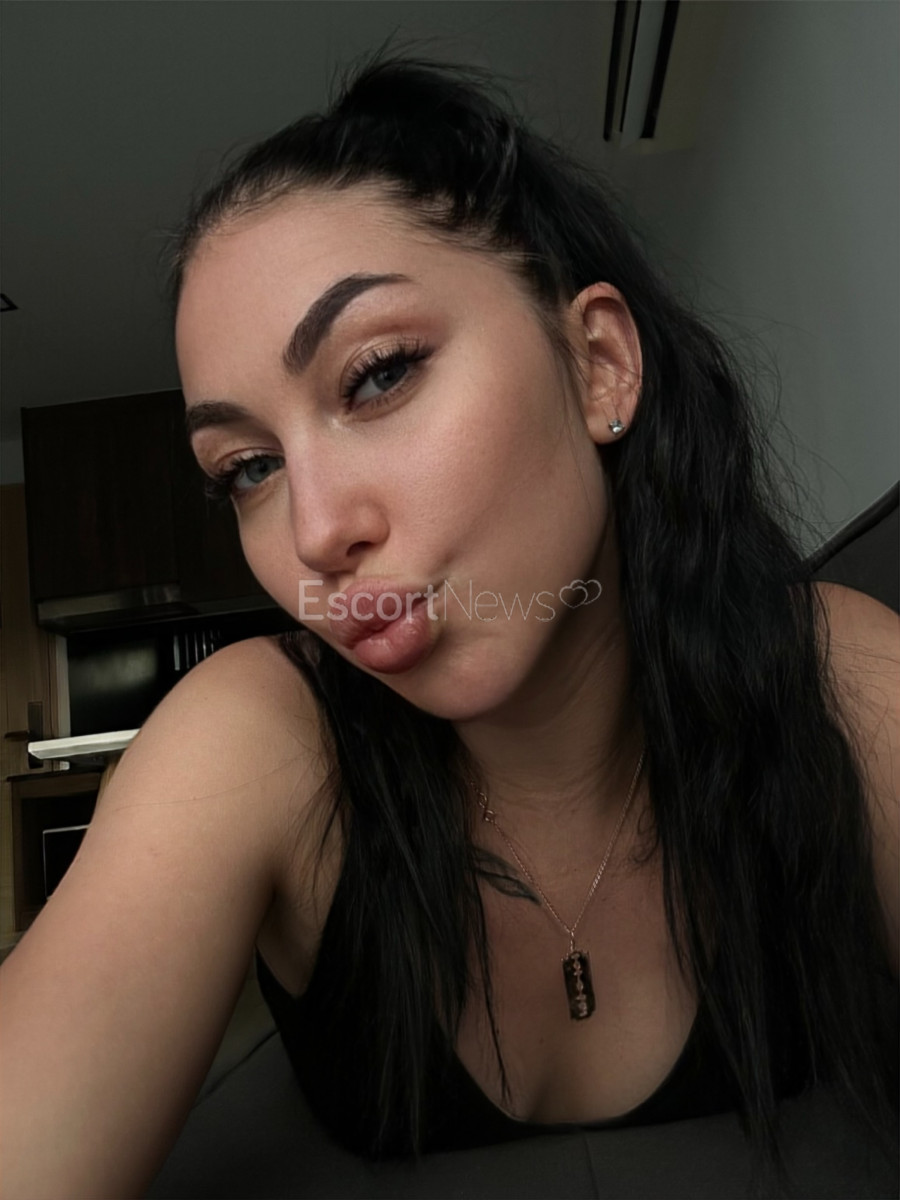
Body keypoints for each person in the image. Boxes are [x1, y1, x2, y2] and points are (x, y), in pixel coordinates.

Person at [1, 57, 897, 1199]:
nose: (315, 532)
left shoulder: (836, 677)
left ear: (598, 365)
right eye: (248, 469)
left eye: (377, 376)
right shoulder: (257, 738)